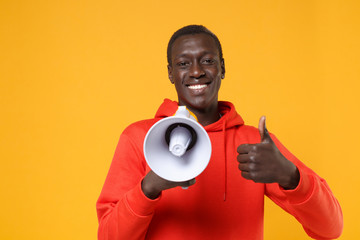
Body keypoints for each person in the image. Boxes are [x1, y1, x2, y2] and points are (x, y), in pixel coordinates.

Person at [96, 25, 343, 240]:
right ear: (171, 73)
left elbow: (330, 228)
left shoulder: (254, 143)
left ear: (222, 68)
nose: (196, 72)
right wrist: (148, 187)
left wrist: (291, 176)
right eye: (183, 63)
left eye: (207, 61)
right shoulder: (140, 139)